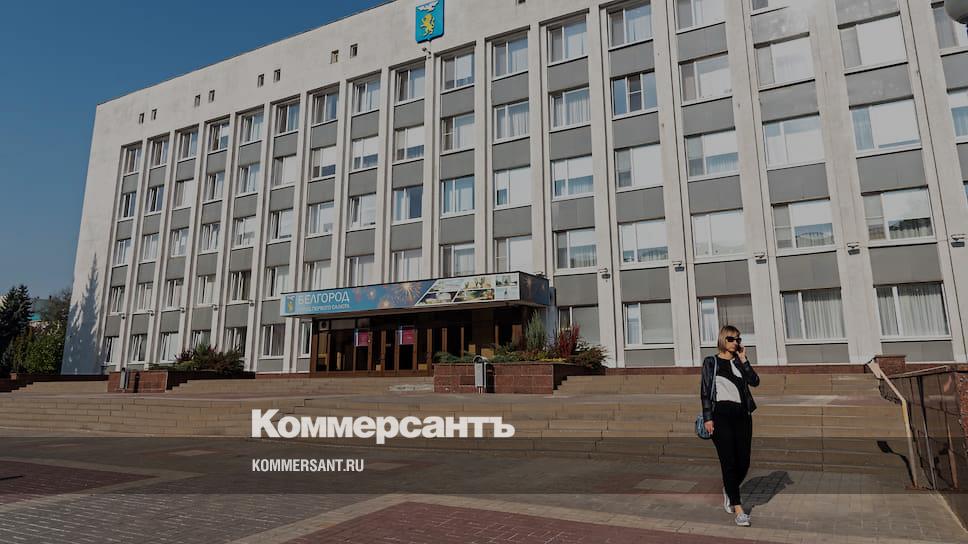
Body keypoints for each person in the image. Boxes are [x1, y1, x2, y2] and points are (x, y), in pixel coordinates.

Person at [699, 325, 760, 527]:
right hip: (721, 416)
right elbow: (705, 391)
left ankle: (729, 488)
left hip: (743, 416)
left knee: (744, 462)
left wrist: (744, 360)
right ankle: (738, 508)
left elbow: (755, 381)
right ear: (723, 340)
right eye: (731, 339)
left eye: (738, 339)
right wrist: (708, 417)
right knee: (729, 461)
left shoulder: (739, 362)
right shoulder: (711, 362)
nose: (736, 343)